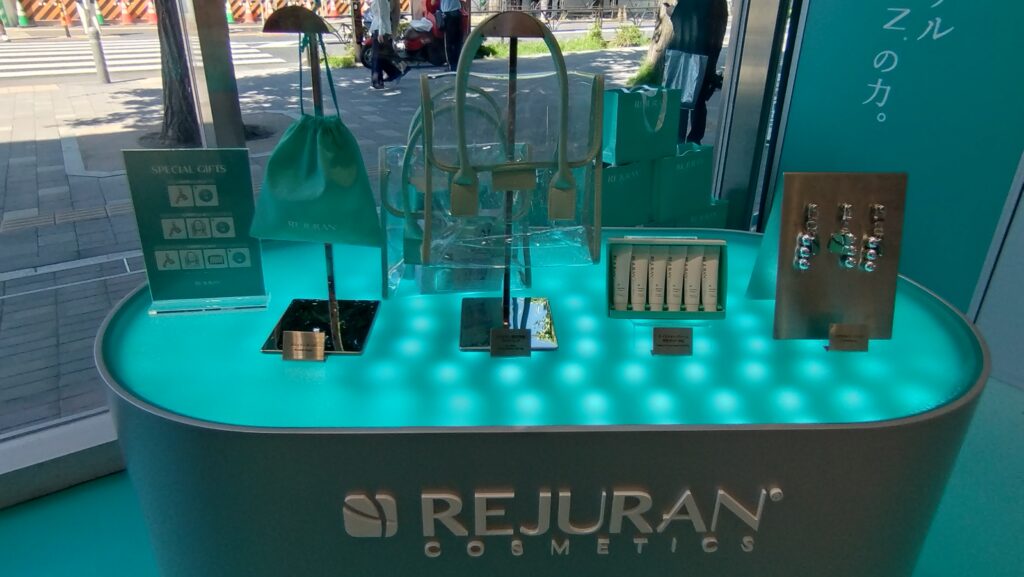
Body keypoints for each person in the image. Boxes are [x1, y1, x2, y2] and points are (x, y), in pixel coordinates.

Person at [667, 0, 729, 144]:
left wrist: (672, 12)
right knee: (699, 100)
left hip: (687, 54)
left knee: (681, 98)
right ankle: (695, 139)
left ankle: (679, 139)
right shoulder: (720, 3)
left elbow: (683, 19)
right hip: (708, 54)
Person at [367, 0, 403, 89]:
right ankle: (393, 73)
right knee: (380, 56)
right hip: (380, 28)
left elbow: (382, 16)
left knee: (376, 57)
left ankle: (377, 81)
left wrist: (380, 32)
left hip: (380, 29)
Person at [439, 0, 464, 72]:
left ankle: (452, 66)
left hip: (448, 14)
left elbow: (433, 2)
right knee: (457, 41)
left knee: (448, 43)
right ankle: (459, 65)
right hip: (457, 12)